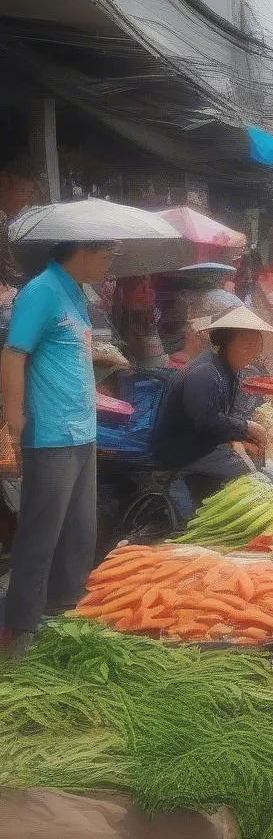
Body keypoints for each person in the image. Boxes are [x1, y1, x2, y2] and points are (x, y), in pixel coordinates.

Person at [0, 240, 119, 651]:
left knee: (78, 533)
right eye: (106, 252)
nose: (109, 259)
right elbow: (14, 355)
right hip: (50, 434)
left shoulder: (74, 292)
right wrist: (16, 423)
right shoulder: (42, 290)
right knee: (40, 535)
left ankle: (63, 618)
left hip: (82, 432)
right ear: (81, 249)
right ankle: (20, 631)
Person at [149, 306, 273, 494]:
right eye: (246, 344)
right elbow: (206, 421)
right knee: (259, 481)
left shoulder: (227, 370)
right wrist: (247, 427)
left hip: (201, 444)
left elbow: (221, 419)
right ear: (226, 343)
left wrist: (242, 437)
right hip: (183, 450)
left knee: (264, 468)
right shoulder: (206, 373)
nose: (252, 351)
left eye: (256, 345)